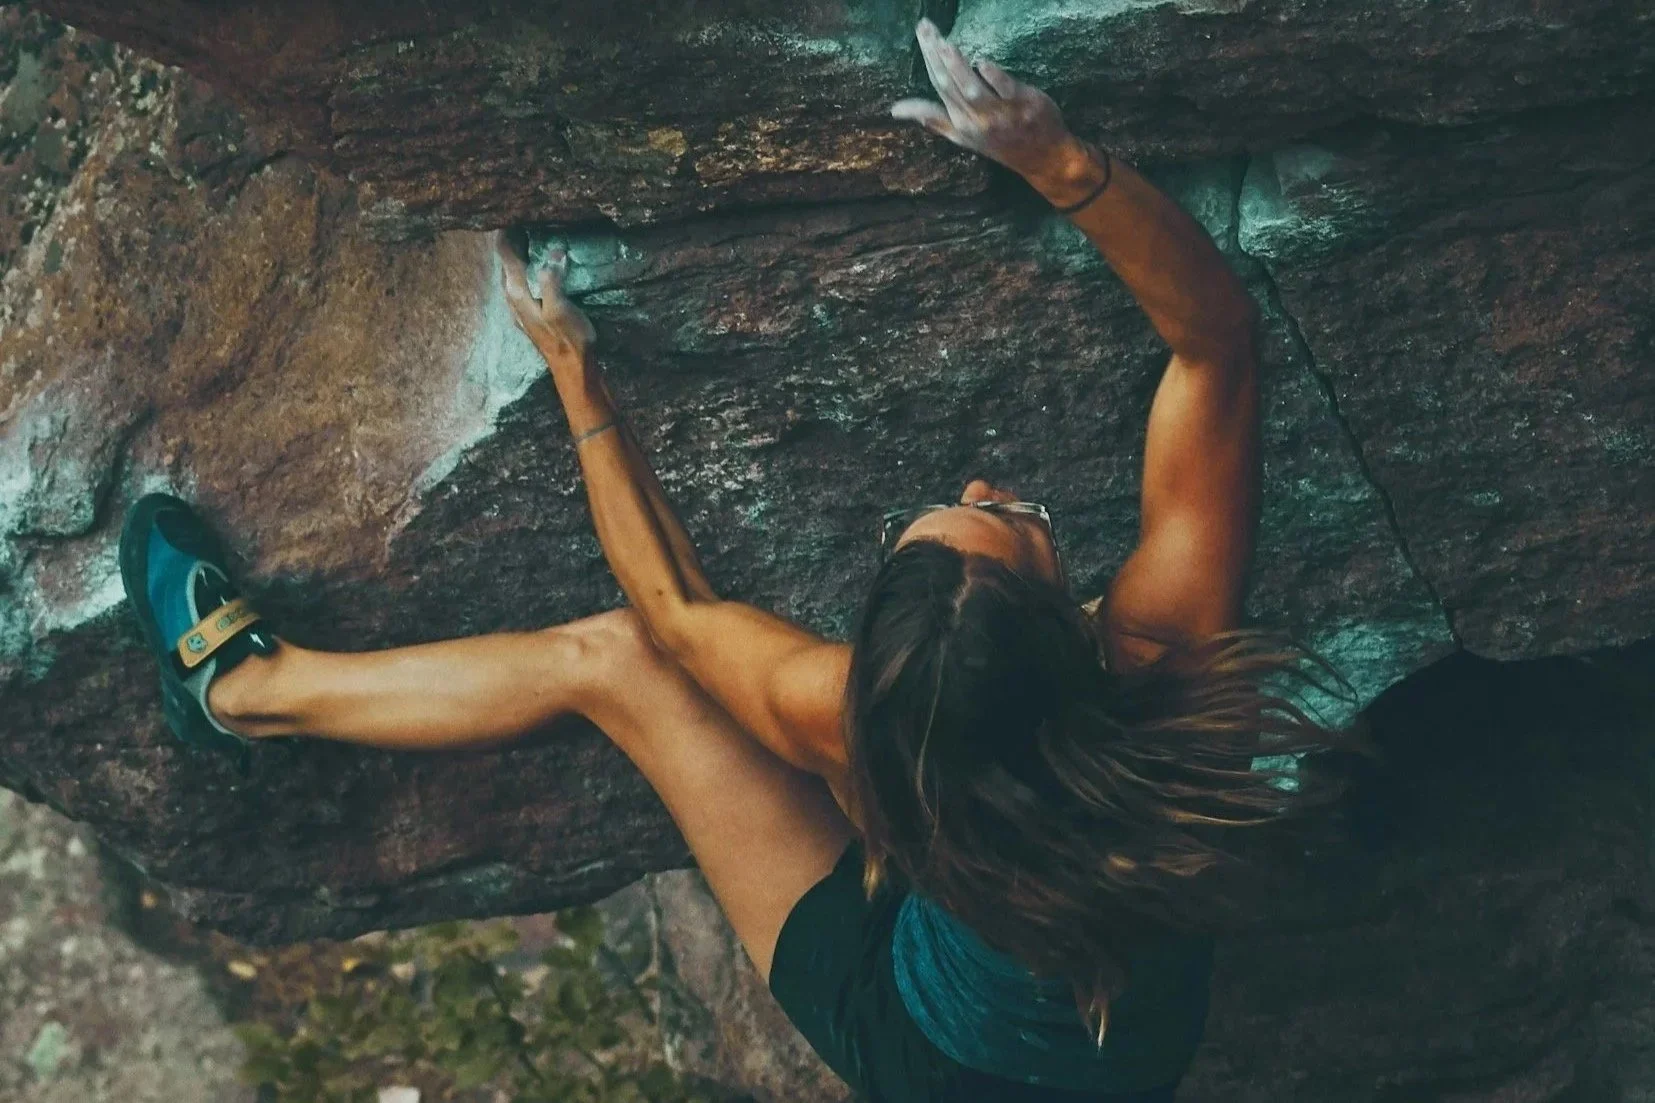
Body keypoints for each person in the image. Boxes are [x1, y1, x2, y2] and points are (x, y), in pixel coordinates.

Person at [119, 19, 1355, 1103]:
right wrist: (1058, 162)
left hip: (928, 1054)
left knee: (614, 659)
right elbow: (1215, 348)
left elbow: (670, 609)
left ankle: (244, 690)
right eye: (992, 514)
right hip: (1107, 1055)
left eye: (985, 511)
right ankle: (251, 695)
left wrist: (575, 372)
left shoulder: (848, 713)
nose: (984, 484)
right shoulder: (1167, 674)